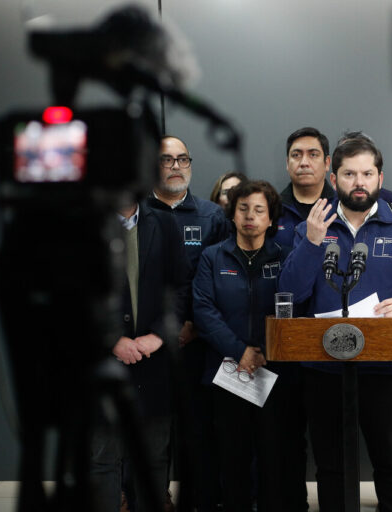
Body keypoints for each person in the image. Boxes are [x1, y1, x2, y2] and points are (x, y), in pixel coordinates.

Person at [278, 137, 392, 512]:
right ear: (334, 178)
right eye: (350, 174)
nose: (359, 182)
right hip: (323, 368)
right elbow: (290, 291)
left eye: (367, 174)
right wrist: (311, 242)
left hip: (383, 368)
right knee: (331, 464)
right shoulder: (314, 227)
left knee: (389, 459)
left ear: (380, 177)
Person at [193, 180, 307, 512]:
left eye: (259, 210)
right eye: (243, 209)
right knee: (232, 458)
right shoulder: (212, 257)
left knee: (275, 458)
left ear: (271, 218)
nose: (250, 217)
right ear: (232, 214)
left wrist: (265, 351)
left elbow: (294, 307)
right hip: (228, 372)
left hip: (276, 374)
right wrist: (240, 350)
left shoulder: (287, 258)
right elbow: (203, 310)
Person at [146, 135, 230, 512]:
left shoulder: (212, 216)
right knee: (152, 433)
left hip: (198, 343)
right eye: (167, 160)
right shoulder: (137, 212)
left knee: (200, 432)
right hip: (147, 345)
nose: (176, 166)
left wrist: (194, 325)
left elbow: (219, 278)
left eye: (183, 159)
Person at [91, 201, 190, 512]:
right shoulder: (84, 224)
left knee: (153, 459)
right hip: (104, 363)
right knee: (103, 458)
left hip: (154, 361)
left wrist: (160, 335)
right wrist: (111, 341)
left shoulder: (164, 224)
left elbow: (182, 287)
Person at [274, 127, 335, 247]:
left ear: (327, 163)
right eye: (296, 155)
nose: (304, 163)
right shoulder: (272, 208)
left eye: (313, 155)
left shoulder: (341, 207)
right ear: (287, 163)